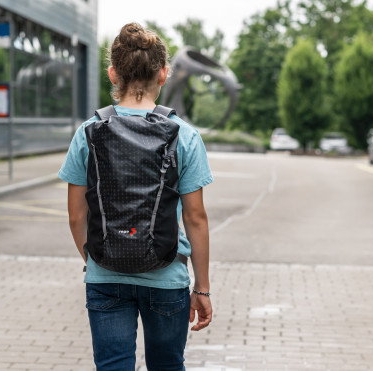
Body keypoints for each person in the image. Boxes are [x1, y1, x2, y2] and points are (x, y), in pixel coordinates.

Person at [58, 22, 213, 370]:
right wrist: (201, 289)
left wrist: (94, 256)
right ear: (163, 74)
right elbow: (196, 218)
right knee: (167, 365)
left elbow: (75, 215)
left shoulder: (88, 132)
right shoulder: (184, 135)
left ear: (113, 74)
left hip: (105, 275)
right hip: (167, 274)